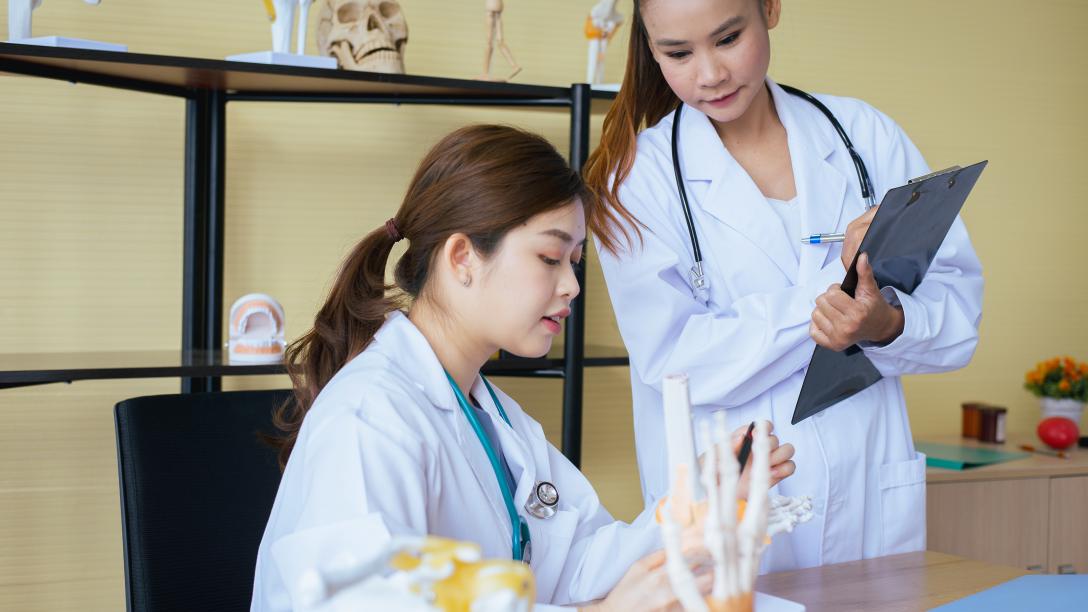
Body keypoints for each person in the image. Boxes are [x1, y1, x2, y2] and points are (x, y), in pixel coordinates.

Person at [250, 124, 797, 611]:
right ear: (463, 257)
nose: (571, 286)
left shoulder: (493, 417)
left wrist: (700, 495)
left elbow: (576, 561)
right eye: (549, 258)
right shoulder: (369, 420)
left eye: (575, 262)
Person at [582, 0, 983, 571]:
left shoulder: (863, 136)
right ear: (649, 48)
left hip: (869, 494)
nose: (710, 73)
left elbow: (958, 319)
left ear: (769, 9)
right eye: (677, 53)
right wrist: (836, 292)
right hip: (736, 514)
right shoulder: (636, 181)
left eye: (727, 38)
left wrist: (886, 324)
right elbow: (678, 362)